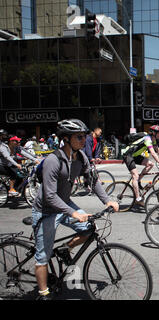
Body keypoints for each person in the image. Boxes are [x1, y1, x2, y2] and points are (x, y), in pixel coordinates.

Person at [32, 119, 119, 300]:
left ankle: (66, 248)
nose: (84, 140)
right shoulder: (53, 161)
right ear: (66, 138)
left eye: (85, 136)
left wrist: (107, 200)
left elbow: (93, 180)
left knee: (89, 228)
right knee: (43, 255)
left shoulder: (80, 157)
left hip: (64, 203)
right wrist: (73, 213)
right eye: (79, 137)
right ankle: (43, 293)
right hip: (45, 210)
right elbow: (49, 196)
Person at [122, 125, 159, 207]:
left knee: (150, 164)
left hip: (135, 155)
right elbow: (153, 153)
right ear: (154, 133)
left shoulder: (153, 139)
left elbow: (157, 150)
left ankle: (138, 181)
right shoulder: (147, 139)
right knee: (135, 175)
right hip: (128, 155)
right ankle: (137, 199)